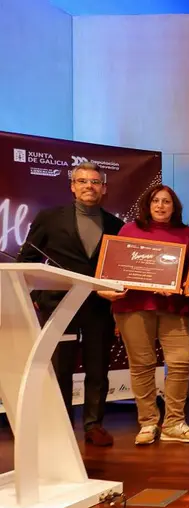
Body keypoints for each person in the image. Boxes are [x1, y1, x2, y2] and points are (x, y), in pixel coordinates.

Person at [17, 162, 124, 446]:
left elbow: (118, 268)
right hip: (59, 305)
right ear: (72, 186)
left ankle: (94, 425)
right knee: (60, 367)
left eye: (95, 182)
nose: (89, 186)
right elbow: (27, 260)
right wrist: (40, 297)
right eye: (83, 181)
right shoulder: (50, 218)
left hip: (99, 308)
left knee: (98, 368)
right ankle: (62, 424)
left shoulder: (116, 225)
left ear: (103, 188)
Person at [108, 186, 189, 445]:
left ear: (175, 206)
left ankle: (174, 422)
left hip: (175, 308)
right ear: (148, 204)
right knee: (142, 365)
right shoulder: (129, 230)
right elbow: (117, 267)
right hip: (135, 307)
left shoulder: (186, 234)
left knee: (181, 361)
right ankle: (148, 422)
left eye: (166, 202)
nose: (161, 206)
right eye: (156, 201)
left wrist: (187, 285)